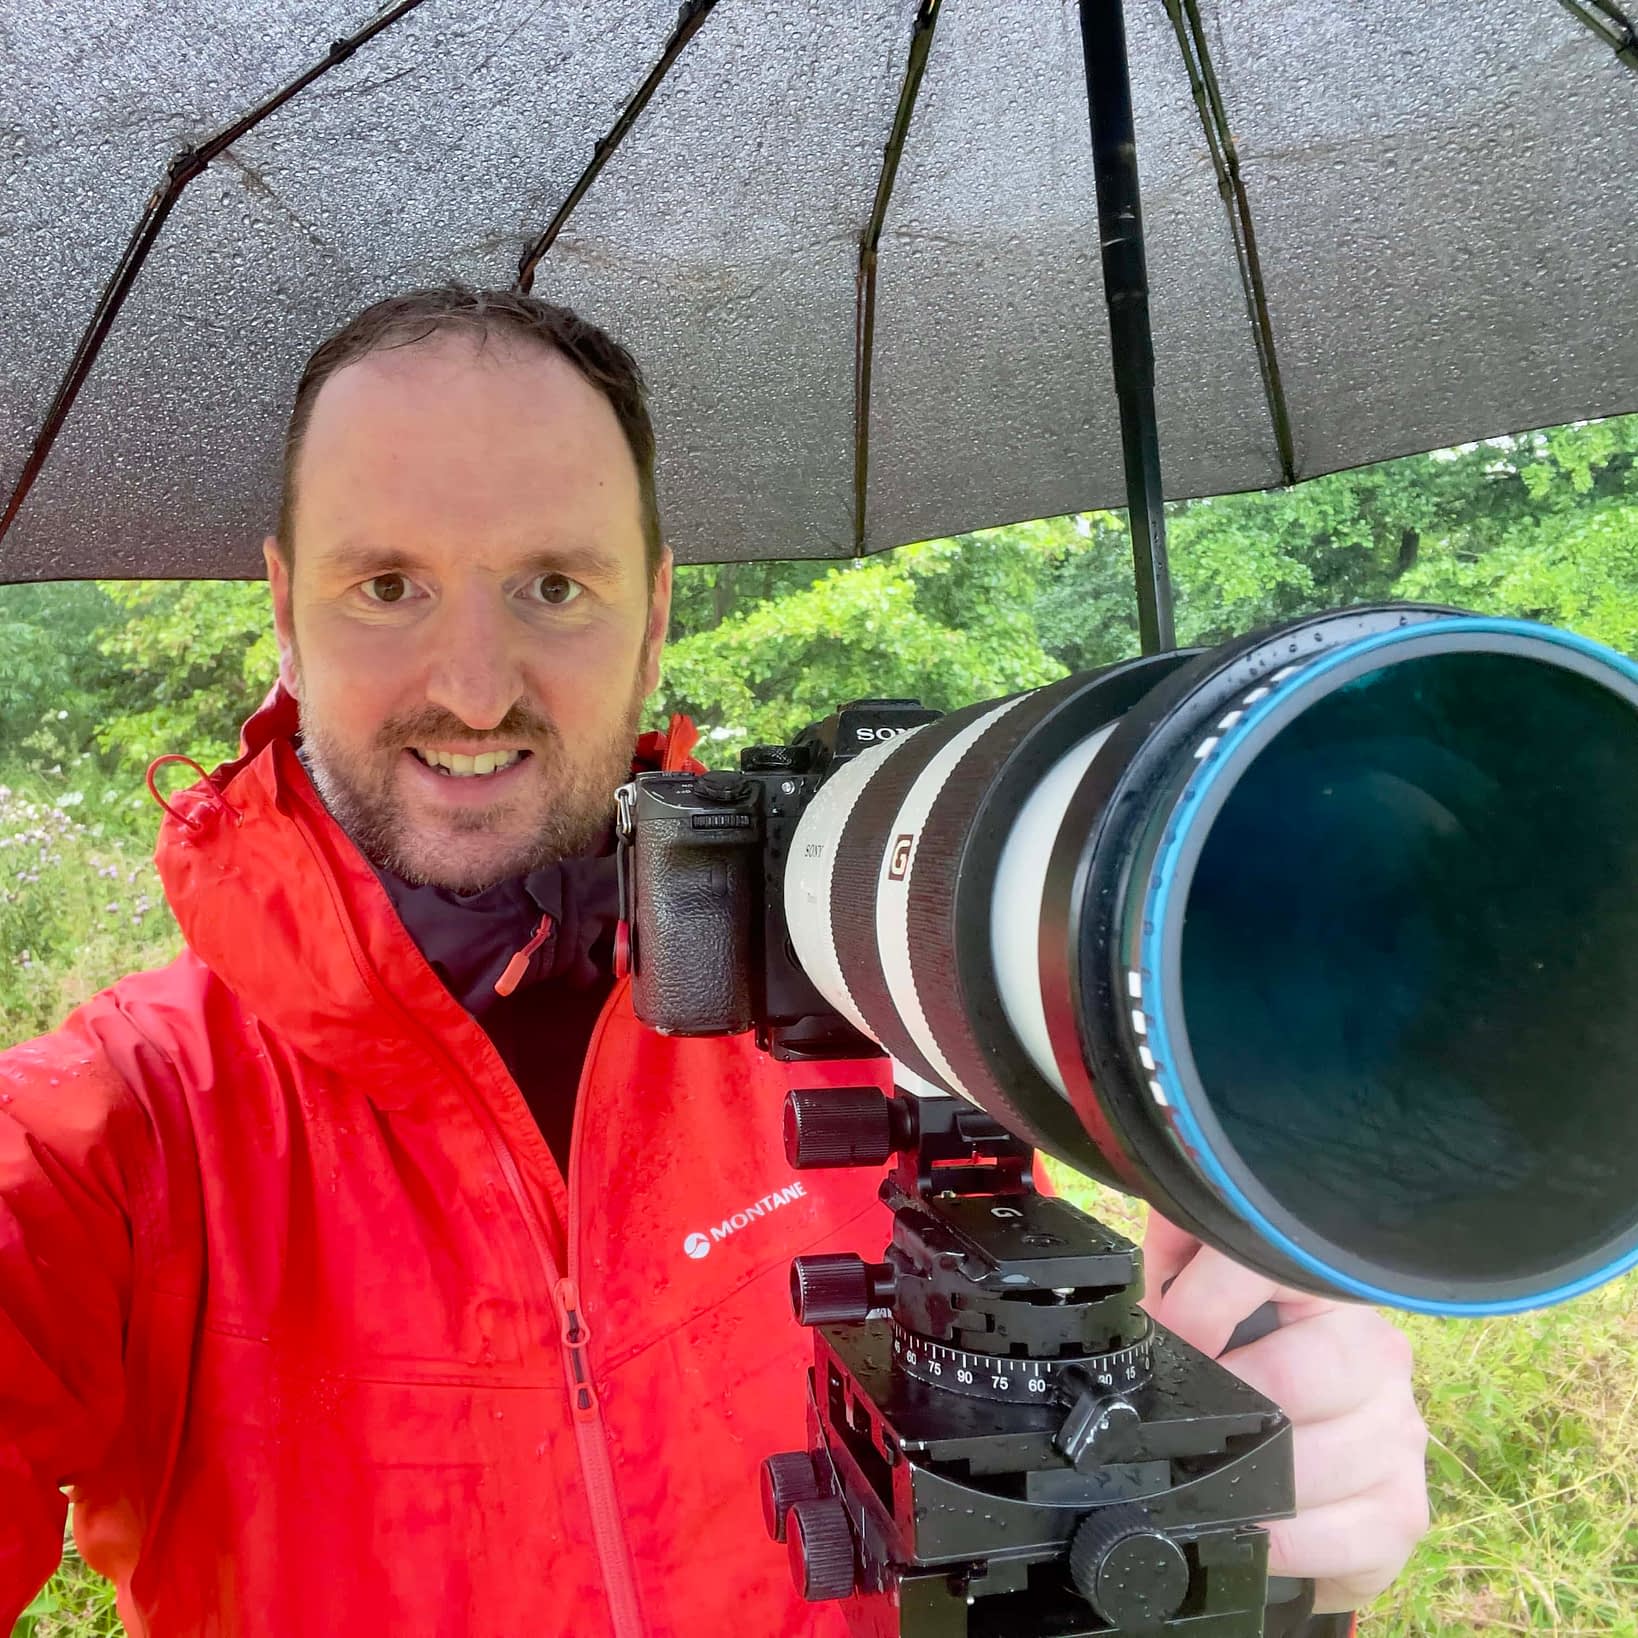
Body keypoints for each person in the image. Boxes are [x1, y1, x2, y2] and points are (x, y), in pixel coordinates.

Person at [0, 285, 1429, 1636]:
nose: (474, 685)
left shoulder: (897, 1019)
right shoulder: (117, 1134)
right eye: (387, 584)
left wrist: (1245, 1535)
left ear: (657, 610)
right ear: (283, 610)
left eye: (555, 583)